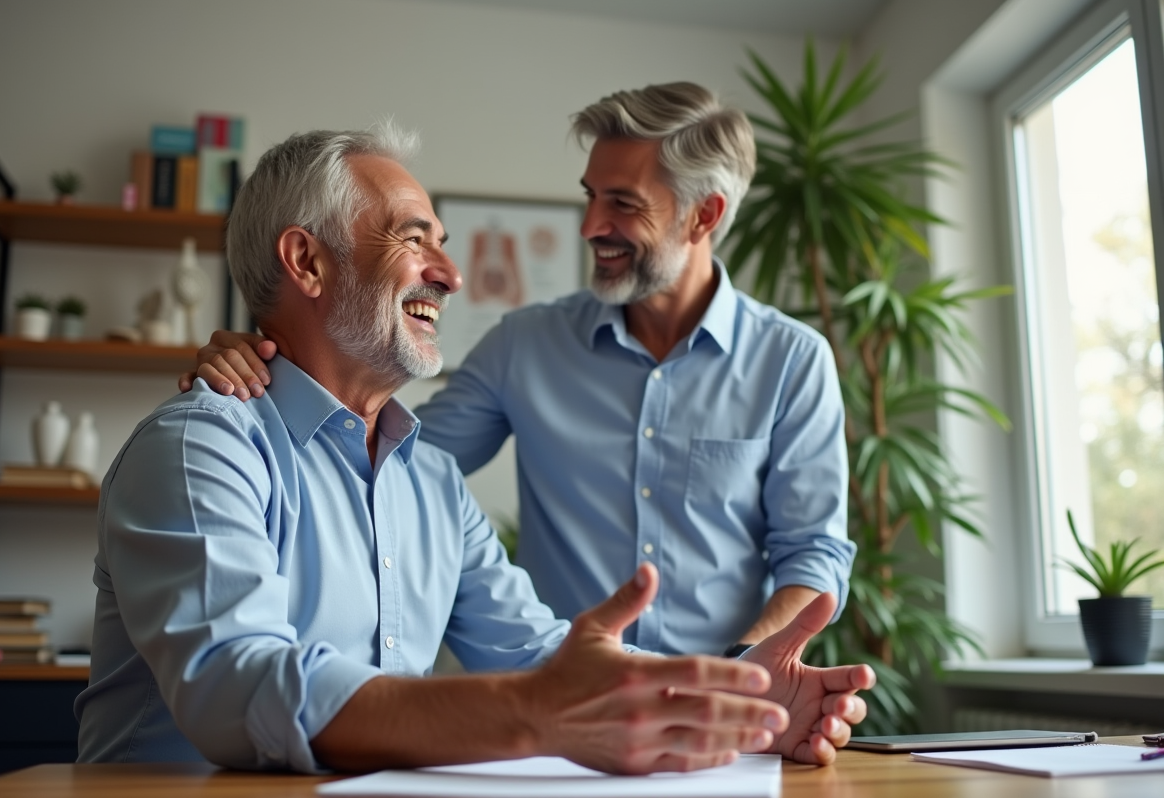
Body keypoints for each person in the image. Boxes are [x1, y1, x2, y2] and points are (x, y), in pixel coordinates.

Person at [78, 127, 873, 773]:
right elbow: (236, 688)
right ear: (307, 262)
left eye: (444, 243)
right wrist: (536, 714)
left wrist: (731, 705)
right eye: (414, 238)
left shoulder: (427, 479)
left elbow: (539, 656)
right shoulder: (201, 447)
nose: (452, 275)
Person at [187, 82, 855, 661]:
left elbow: (814, 555)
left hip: (727, 700)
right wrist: (277, 362)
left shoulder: (792, 361)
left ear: (703, 215)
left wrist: (739, 676)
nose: (590, 226)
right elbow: (389, 459)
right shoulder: (525, 346)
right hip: (565, 710)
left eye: (623, 204)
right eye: (590, 196)